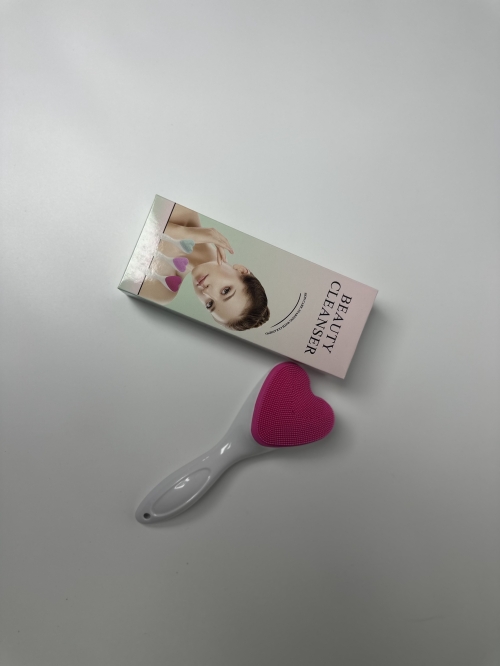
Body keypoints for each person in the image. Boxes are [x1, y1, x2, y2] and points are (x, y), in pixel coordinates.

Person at [139, 204, 270, 331]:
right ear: (241, 270)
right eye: (226, 291)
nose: (207, 292)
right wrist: (186, 233)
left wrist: (184, 234)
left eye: (210, 304)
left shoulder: (161, 292)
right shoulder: (184, 208)